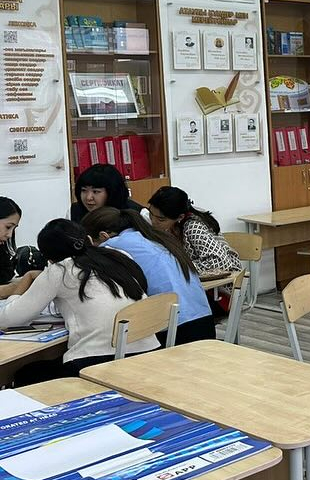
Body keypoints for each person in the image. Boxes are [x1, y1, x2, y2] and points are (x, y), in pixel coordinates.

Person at [0, 219, 156, 382]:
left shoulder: (60, 270)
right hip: (146, 354)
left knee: (26, 373)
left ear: (50, 259)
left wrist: (18, 290)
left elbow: (9, 319)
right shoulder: (117, 256)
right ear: (87, 239)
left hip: (98, 362)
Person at [81, 206, 215, 344]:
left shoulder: (111, 246)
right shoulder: (153, 238)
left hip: (173, 332)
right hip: (205, 323)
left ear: (103, 236)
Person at [148, 186, 242, 277]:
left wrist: (177, 267)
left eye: (161, 219)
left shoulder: (193, 227)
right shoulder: (168, 225)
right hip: (199, 278)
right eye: (151, 214)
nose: (153, 221)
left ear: (180, 217)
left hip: (226, 279)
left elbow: (221, 262)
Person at [70, 163, 144, 223]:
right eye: (84, 190)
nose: (88, 198)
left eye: (95, 191)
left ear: (112, 192)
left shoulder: (138, 213)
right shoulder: (74, 211)